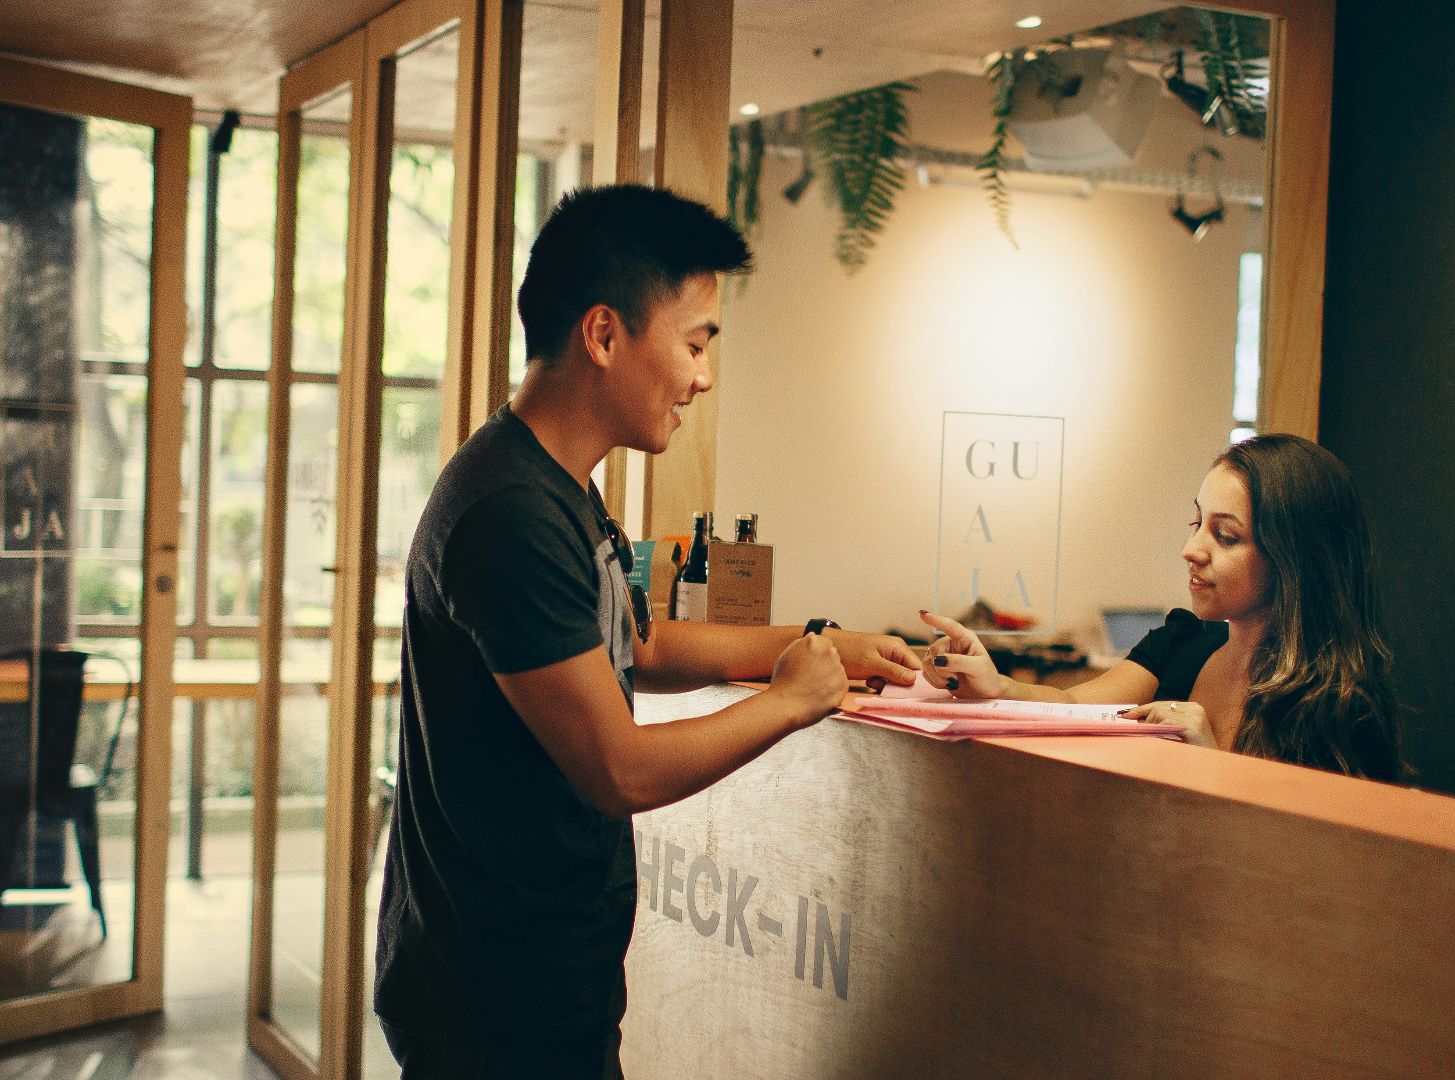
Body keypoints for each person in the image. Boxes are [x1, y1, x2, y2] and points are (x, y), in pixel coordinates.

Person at [373, 184, 921, 1078]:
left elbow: (644, 644)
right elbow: (617, 768)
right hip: (495, 1006)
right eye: (696, 341)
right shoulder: (509, 512)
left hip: (541, 988)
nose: (703, 377)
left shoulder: (560, 487)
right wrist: (790, 701)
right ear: (603, 335)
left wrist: (822, 642)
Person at [922, 434, 1399, 781]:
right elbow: (1072, 707)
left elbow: (1313, 865)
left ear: (1295, 558)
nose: (1192, 549)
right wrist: (995, 683)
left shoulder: (1339, 704)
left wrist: (1209, 759)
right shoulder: (1183, 642)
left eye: (1225, 535)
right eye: (1196, 523)